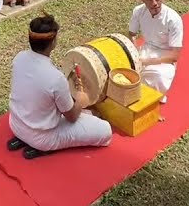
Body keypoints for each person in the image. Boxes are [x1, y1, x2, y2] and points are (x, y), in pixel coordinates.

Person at [6, 14, 112, 156]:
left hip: (16, 126)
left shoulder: (19, 58)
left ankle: (25, 139)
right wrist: (81, 100)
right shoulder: (56, 78)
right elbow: (71, 117)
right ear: (53, 42)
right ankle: (41, 147)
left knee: (84, 114)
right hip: (43, 138)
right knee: (105, 130)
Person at [128, 0, 183, 103]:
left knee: (159, 76)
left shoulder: (173, 19)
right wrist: (134, 53)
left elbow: (175, 56)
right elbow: (132, 34)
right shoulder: (138, 11)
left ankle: (151, 99)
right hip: (145, 51)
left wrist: (147, 62)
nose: (155, 3)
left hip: (164, 57)